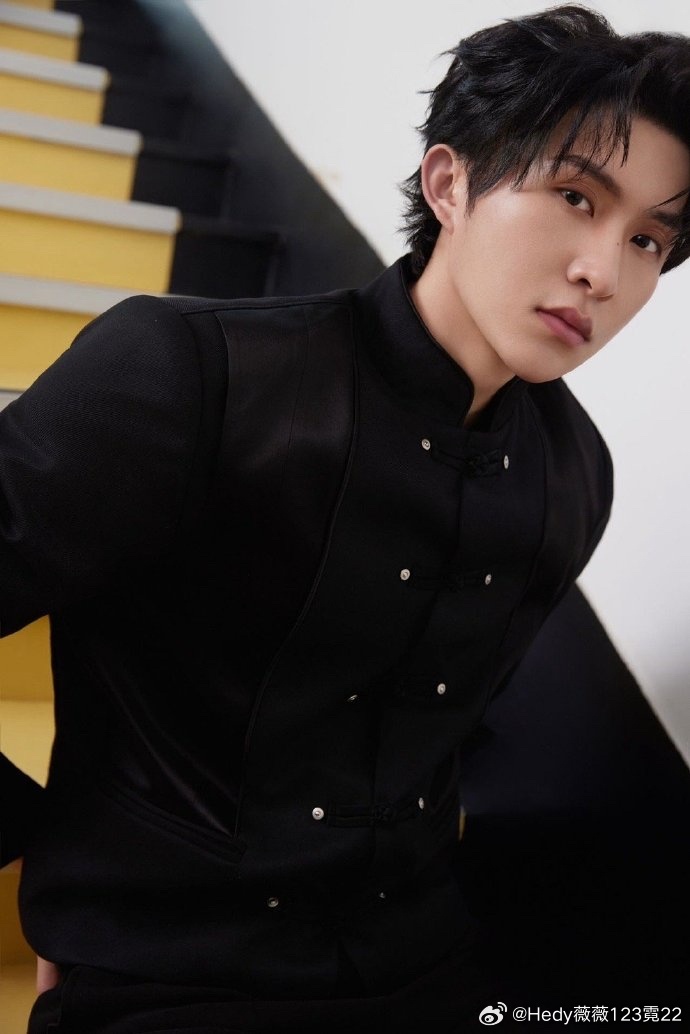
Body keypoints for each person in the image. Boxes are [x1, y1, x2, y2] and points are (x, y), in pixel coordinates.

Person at [2, 4, 690, 1031]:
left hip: (428, 969)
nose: (605, 272)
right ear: (449, 183)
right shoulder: (190, 374)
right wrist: (59, 862)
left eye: (647, 239)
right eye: (574, 197)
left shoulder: (571, 472)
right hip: (169, 974)